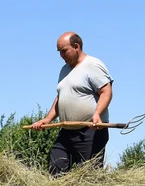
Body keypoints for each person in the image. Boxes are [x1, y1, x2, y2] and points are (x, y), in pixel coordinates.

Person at [32, 32, 114, 175]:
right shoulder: (65, 70)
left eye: (64, 51)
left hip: (90, 131)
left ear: (76, 46)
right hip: (66, 131)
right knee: (57, 165)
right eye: (59, 52)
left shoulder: (93, 65)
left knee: (89, 175)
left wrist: (97, 114)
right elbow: (61, 97)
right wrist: (47, 119)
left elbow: (106, 91)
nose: (61, 56)